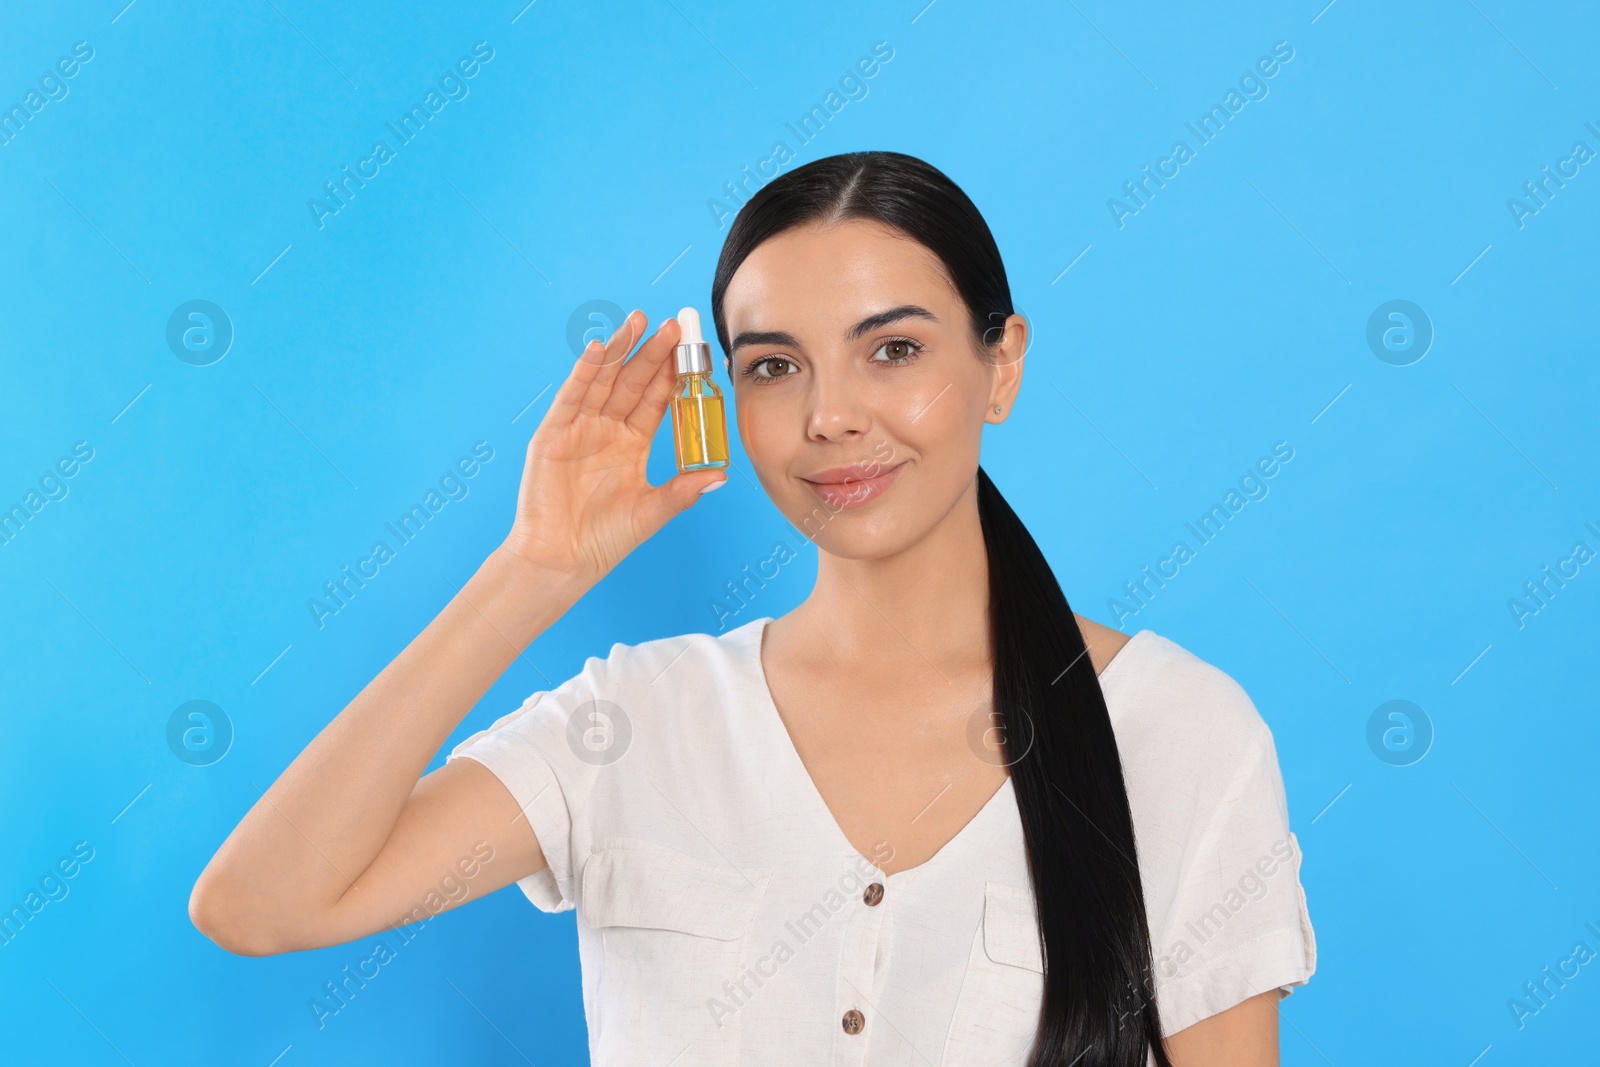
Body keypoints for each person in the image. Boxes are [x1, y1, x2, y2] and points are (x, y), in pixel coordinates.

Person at [190, 150, 1315, 1066]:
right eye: (774, 367)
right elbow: (266, 902)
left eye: (894, 349)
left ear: (1002, 363)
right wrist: (534, 569)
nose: (831, 415)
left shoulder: (1179, 731)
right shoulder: (631, 720)